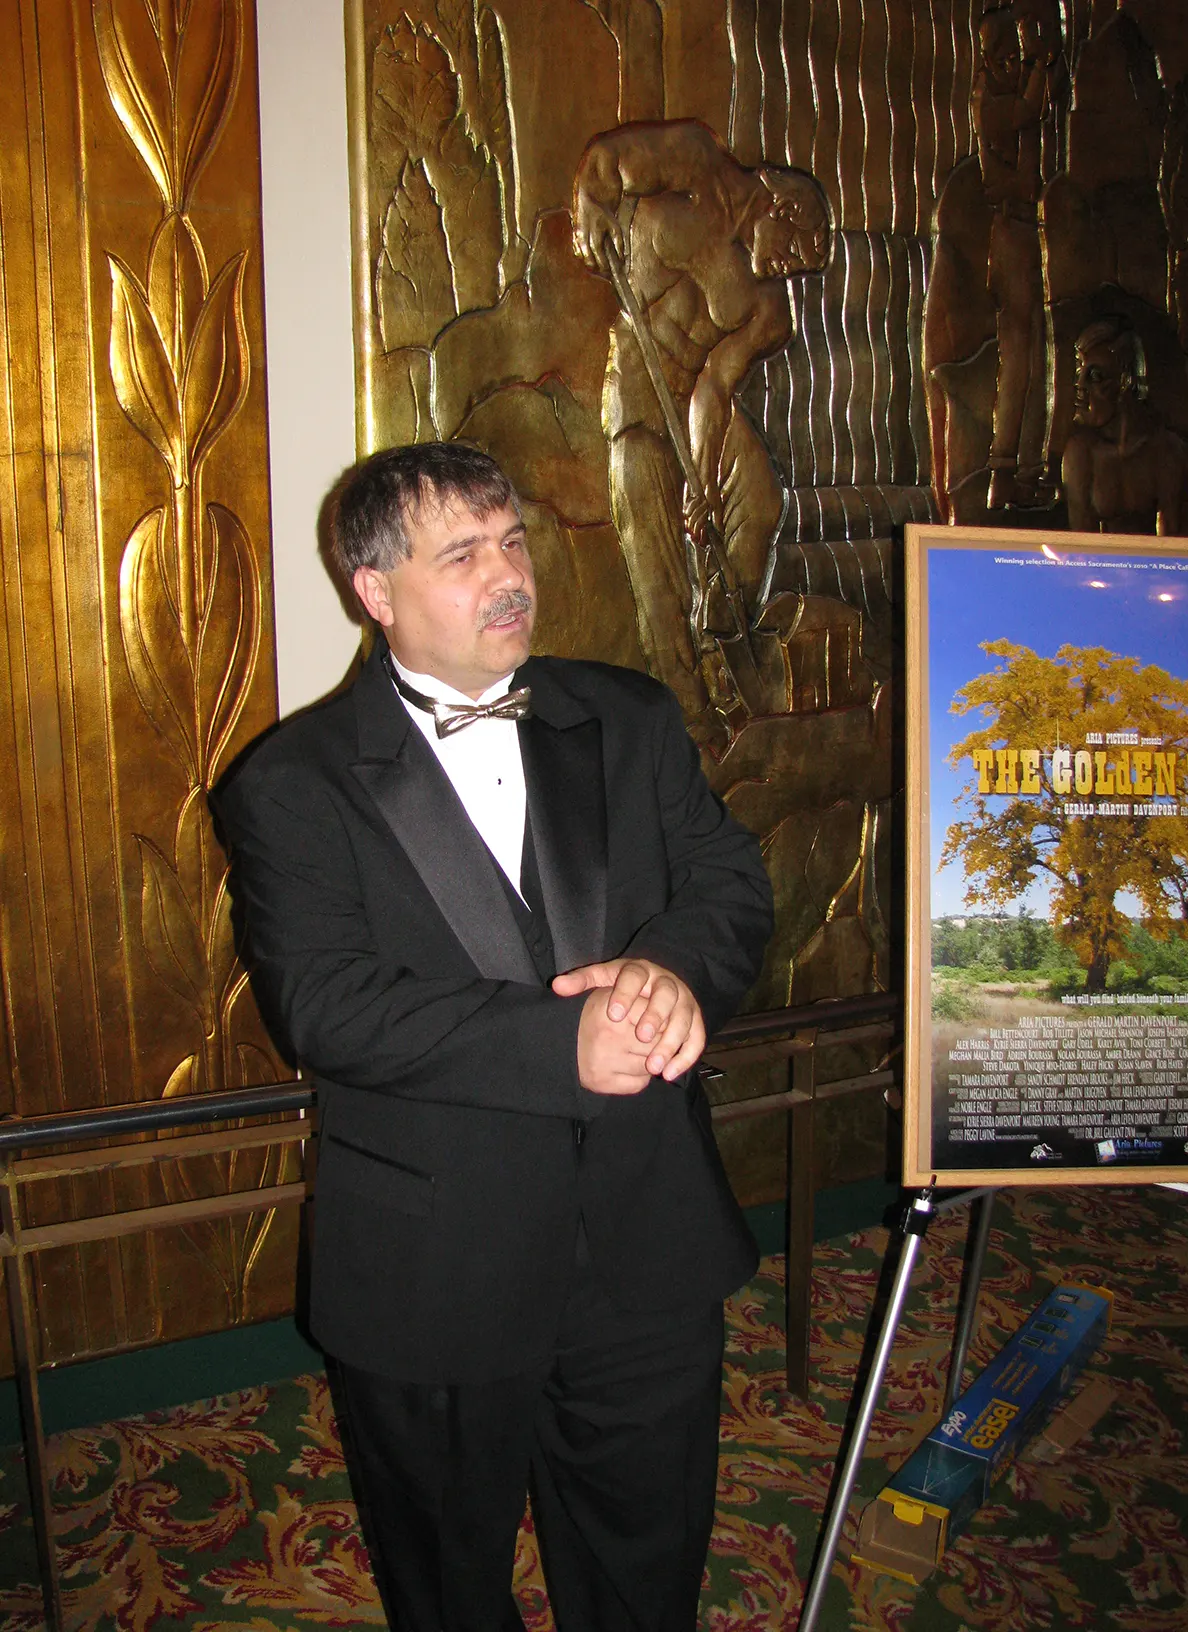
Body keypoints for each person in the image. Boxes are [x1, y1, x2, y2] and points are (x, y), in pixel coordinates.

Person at [216, 441, 773, 1632]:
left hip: (647, 1231)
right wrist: (555, 1044)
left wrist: (675, 970)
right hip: (436, 1261)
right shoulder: (291, 783)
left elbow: (728, 878)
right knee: (448, 1583)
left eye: (510, 539)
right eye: (461, 553)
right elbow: (324, 1001)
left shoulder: (628, 715)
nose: (506, 571)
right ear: (374, 590)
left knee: (647, 1562)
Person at [572, 120, 830, 732]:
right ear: (780, 207)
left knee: (760, 497)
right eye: (793, 251)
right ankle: (681, 699)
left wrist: (706, 482)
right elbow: (605, 164)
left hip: (696, 400)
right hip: (639, 385)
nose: (786, 271)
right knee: (642, 490)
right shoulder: (697, 163)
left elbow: (715, 384)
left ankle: (720, 627)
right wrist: (590, 207)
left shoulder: (769, 311)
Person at [972, 5, 1051, 510]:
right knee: (1017, 346)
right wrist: (1042, 66)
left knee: (1033, 347)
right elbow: (1028, 112)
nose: (1014, 67)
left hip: (1024, 226)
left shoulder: (1005, 94)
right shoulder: (991, 101)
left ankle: (1025, 466)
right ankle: (1003, 468)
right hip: (1006, 228)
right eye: (1009, 58)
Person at [1061, 316, 1188, 535]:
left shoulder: (1167, 453)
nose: (1080, 385)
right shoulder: (1080, 454)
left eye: (1095, 376)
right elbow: (1081, 554)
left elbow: (1173, 552)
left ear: (1125, 381)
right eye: (1079, 373)